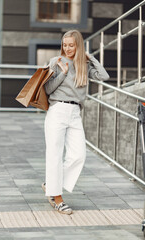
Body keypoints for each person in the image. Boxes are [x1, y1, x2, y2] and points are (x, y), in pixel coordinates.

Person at [42, 30, 109, 215]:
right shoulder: (56, 62)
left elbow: (104, 76)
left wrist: (90, 57)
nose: (68, 48)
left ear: (78, 45)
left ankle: (51, 184)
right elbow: (47, 89)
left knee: (78, 155)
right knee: (55, 155)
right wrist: (62, 73)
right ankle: (57, 198)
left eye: (72, 45)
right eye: (65, 45)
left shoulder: (84, 65)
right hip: (57, 111)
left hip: (75, 113)